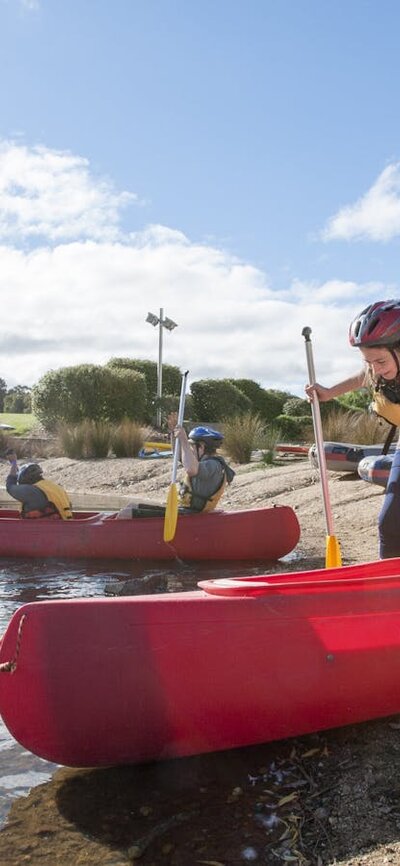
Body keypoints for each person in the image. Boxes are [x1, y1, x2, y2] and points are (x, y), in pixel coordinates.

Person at [305, 299, 400, 559]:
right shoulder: (375, 370)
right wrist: (328, 393)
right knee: (390, 524)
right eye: (368, 361)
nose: (374, 369)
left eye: (380, 361)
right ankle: (389, 587)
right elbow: (362, 377)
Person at [172, 424, 235, 512]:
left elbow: (191, 469)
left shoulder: (213, 465)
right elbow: (179, 456)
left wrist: (184, 439)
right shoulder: (199, 463)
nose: (190, 450)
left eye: (191, 446)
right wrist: (173, 433)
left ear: (201, 446)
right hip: (186, 511)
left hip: (193, 514)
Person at [4, 450, 73, 519]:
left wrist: (14, 463)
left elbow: (10, 486)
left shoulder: (32, 491)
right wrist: (14, 465)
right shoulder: (54, 488)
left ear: (25, 479)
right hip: (63, 523)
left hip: (47, 527)